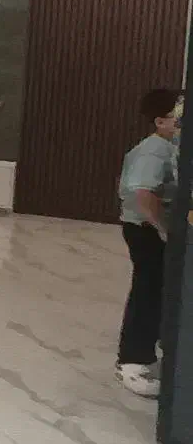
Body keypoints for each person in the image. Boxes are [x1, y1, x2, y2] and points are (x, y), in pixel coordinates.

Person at [115, 88, 181, 397]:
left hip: (150, 229)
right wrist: (165, 229)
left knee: (156, 291)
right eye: (178, 118)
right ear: (160, 121)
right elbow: (143, 194)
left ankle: (146, 353)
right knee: (148, 292)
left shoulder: (169, 147)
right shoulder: (154, 150)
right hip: (145, 230)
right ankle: (132, 361)